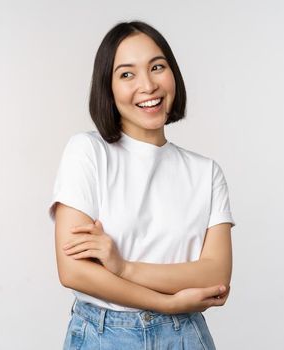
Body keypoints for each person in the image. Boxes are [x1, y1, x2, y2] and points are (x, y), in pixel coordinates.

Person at [49, 21, 235, 349]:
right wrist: (167, 303)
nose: (148, 85)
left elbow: (215, 275)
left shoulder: (206, 173)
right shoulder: (87, 152)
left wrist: (122, 267)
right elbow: (74, 272)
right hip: (104, 336)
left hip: (184, 336)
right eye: (127, 74)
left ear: (173, 74)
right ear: (108, 88)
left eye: (157, 67)